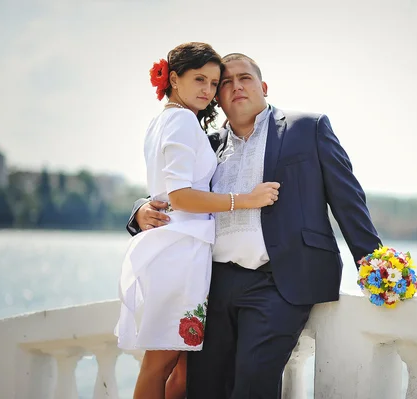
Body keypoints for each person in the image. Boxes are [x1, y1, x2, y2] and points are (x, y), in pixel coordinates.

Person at [127, 52, 382, 399]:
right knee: (203, 388)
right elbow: (175, 192)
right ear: (218, 99)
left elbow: (348, 201)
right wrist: (140, 210)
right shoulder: (209, 143)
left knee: (252, 385)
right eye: (224, 83)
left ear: (262, 86)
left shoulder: (307, 127)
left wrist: (376, 266)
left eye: (244, 78)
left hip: (278, 282)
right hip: (212, 284)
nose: (235, 87)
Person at [115, 44, 280, 399]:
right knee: (160, 363)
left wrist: (145, 207)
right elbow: (179, 195)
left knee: (182, 365)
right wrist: (246, 200)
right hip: (178, 252)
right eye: (199, 79)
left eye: (212, 82)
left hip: (186, 251)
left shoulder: (166, 120)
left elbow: (165, 189)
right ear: (174, 78)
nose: (208, 90)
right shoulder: (179, 119)